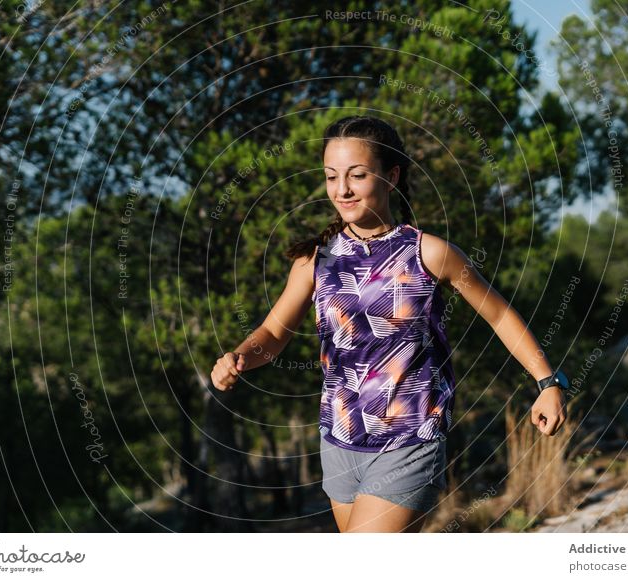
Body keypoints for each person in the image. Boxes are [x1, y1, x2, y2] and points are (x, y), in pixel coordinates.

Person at [210, 115, 568, 533]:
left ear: (391, 175)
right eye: (331, 177)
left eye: (357, 175)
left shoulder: (429, 253)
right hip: (338, 440)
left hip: (410, 438)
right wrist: (239, 357)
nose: (341, 189)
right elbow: (272, 336)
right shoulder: (315, 260)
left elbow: (499, 313)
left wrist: (547, 381)